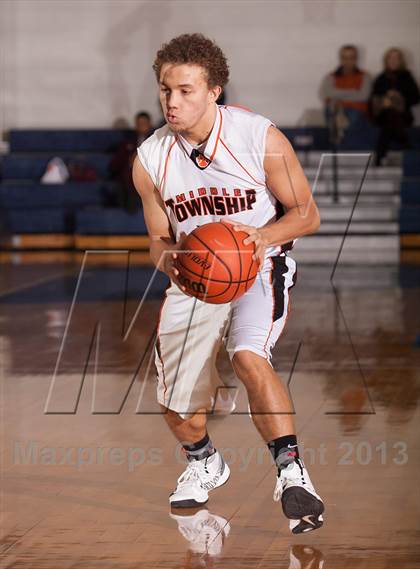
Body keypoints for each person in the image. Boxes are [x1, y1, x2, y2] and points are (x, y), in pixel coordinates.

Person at [132, 33, 324, 534]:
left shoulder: (258, 137)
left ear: (214, 90)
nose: (172, 101)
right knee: (179, 407)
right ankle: (204, 460)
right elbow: (156, 238)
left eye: (186, 90)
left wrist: (260, 237)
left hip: (259, 265)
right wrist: (169, 260)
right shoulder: (150, 159)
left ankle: (291, 472)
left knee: (248, 355)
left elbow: (306, 214)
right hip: (195, 278)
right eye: (164, 90)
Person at [370, 48, 420, 165]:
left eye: (396, 58)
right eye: (390, 57)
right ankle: (404, 142)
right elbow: (374, 100)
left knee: (391, 120)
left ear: (400, 60)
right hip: (383, 115)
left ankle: (380, 157)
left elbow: (416, 99)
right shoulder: (380, 78)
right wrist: (385, 101)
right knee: (389, 116)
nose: (393, 60)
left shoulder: (407, 77)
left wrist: (399, 98)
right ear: (386, 60)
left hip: (403, 115)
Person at [320, 44, 371, 145]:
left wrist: (338, 94)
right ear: (341, 59)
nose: (348, 61)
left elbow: (364, 96)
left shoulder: (365, 76)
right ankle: (338, 134)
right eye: (345, 58)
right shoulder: (331, 77)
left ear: (356, 59)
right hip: (335, 108)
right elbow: (327, 93)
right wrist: (354, 91)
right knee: (331, 112)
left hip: (356, 111)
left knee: (353, 116)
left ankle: (339, 136)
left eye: (351, 57)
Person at [109, 111, 153, 212]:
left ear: (150, 125)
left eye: (144, 124)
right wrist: (129, 160)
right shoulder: (128, 143)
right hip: (130, 180)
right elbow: (114, 165)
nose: (141, 126)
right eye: (139, 124)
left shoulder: (157, 142)